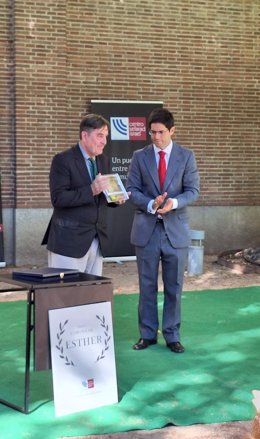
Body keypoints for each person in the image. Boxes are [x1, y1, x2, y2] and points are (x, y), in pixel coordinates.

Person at [126, 107, 200, 353]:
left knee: (174, 287)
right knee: (146, 285)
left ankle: (172, 335)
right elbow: (132, 190)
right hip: (146, 231)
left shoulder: (186, 156)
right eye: (152, 132)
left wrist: (173, 203)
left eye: (160, 132)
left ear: (172, 130)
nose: (156, 137)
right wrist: (150, 203)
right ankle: (147, 335)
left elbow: (192, 190)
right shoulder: (139, 156)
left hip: (175, 231)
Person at [42, 113, 126, 276]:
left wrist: (116, 198)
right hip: (69, 243)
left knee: (91, 295)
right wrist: (91, 190)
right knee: (65, 295)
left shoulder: (104, 160)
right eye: (100, 135)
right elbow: (58, 198)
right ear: (84, 135)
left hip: (96, 240)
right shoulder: (62, 160)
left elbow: (102, 195)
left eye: (106, 136)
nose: (104, 141)